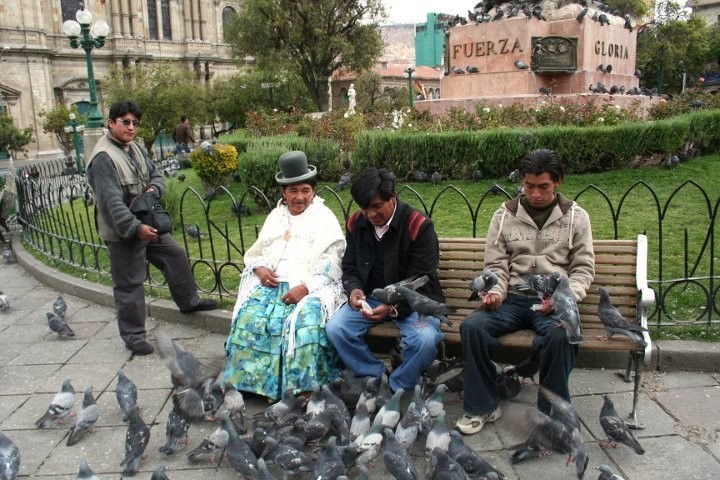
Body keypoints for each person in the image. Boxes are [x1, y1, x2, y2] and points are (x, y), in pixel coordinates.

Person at [457, 148, 595, 435]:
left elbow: (583, 269)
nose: (534, 194)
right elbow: (495, 264)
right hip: (512, 300)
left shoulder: (576, 217)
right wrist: (495, 290)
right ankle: (482, 405)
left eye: (543, 187)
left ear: (558, 182)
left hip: (553, 301)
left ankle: (554, 416)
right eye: (529, 186)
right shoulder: (504, 216)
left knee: (562, 335)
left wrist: (564, 298)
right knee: (472, 327)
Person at [87, 100, 217, 356]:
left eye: (135, 123)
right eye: (126, 122)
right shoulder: (103, 158)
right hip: (122, 230)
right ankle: (134, 335)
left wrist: (154, 189)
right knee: (130, 283)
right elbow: (111, 203)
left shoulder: (133, 148)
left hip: (147, 221)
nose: (132, 127)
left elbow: (156, 174)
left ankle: (188, 302)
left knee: (175, 254)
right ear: (111, 123)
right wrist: (135, 228)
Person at [223, 151, 346, 400]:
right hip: (272, 282)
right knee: (252, 317)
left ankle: (304, 389)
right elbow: (258, 251)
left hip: (311, 286)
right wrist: (259, 268)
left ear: (314, 191)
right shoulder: (276, 216)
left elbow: (333, 260)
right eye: (293, 191)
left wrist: (307, 287)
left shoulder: (324, 217)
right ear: (283, 192)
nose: (299, 197)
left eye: (305, 190)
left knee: (305, 323)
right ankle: (254, 383)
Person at [325, 167, 444, 393]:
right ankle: (375, 375)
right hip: (371, 298)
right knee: (336, 329)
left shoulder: (419, 225)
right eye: (364, 208)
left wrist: (391, 307)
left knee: (425, 340)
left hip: (415, 301)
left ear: (393, 197)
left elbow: (422, 278)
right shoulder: (355, 224)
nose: (370, 215)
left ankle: (397, 385)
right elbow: (349, 267)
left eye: (377, 206)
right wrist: (354, 291)